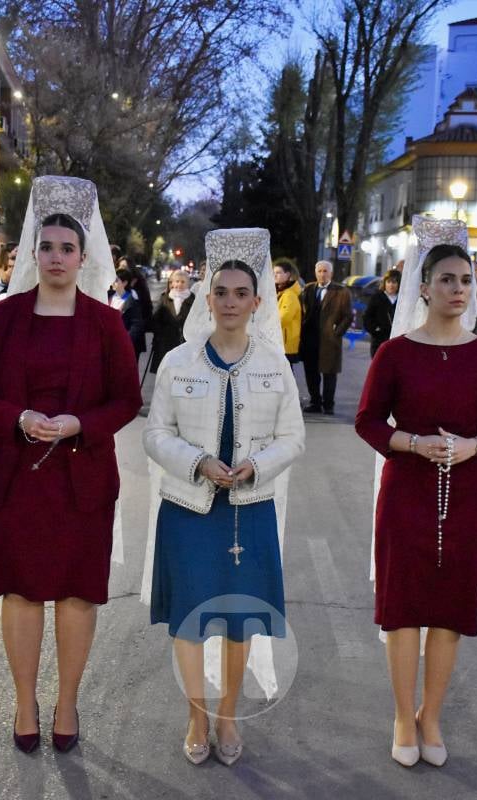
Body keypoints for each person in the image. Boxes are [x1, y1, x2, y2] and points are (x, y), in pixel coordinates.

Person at [0, 176, 142, 755]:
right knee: (20, 591)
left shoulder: (105, 323)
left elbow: (125, 400)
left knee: (75, 593)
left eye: (68, 249)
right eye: (47, 248)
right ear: (31, 254)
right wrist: (16, 417)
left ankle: (66, 700)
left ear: (84, 257)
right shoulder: (6, 316)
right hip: (17, 478)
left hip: (81, 481)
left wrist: (79, 424)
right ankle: (24, 701)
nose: (57, 257)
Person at [355, 221, 477, 769]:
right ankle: (402, 715)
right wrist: (411, 443)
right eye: (446, 280)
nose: (457, 290)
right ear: (423, 287)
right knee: (402, 610)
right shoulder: (396, 353)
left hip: (469, 493)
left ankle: (431, 715)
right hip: (407, 490)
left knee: (449, 610)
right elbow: (367, 421)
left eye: (466, 281)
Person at [144, 228, 305, 767]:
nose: (231, 302)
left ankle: (228, 713)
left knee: (240, 620)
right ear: (206, 298)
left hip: (249, 509)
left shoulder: (274, 365)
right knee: (190, 619)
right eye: (221, 292)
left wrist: (257, 466)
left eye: (242, 293)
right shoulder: (178, 362)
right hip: (189, 508)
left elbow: (294, 437)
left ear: (257, 302)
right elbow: (154, 433)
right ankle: (196, 715)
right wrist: (197, 462)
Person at [300, 261, 352, 414]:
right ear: (316, 273)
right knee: (311, 372)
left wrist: (337, 332)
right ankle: (314, 401)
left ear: (331, 273)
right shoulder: (308, 289)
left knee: (329, 373)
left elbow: (348, 316)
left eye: (325, 271)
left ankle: (328, 404)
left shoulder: (341, 291)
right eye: (320, 271)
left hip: (330, 339)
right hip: (310, 338)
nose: (322, 274)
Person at [149, 269, 194, 373]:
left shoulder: (193, 300)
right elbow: (155, 320)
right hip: (165, 345)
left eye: (183, 282)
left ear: (188, 283)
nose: (179, 284)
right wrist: (159, 334)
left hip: (184, 345)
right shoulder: (164, 298)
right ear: (172, 283)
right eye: (177, 281)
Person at [109, 266, 147, 359]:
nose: (113, 283)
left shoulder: (132, 300)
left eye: (116, 281)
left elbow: (136, 325)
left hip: (125, 345)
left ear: (125, 283)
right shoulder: (109, 296)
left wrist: (124, 340)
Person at [363, 269, 401, 357]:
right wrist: (376, 329)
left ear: (399, 284)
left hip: (397, 342)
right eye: (389, 282)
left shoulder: (402, 300)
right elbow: (367, 317)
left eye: (394, 282)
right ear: (385, 283)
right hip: (379, 342)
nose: (391, 285)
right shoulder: (377, 298)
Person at [272, 262, 303, 362]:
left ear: (288, 274)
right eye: (274, 273)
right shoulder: (281, 292)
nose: (275, 275)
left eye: (278, 272)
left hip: (286, 343)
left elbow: (284, 318)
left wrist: (265, 324)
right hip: (280, 341)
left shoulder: (289, 295)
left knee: (285, 375)